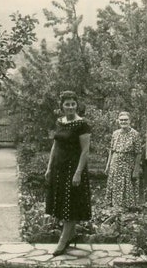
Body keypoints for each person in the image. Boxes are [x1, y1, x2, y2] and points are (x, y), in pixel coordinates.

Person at [45, 90, 91, 256]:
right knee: (61, 202)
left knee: (70, 204)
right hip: (59, 168)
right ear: (62, 106)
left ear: (77, 105)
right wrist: (49, 167)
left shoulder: (82, 124)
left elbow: (85, 151)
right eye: (67, 104)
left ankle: (63, 241)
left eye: (73, 104)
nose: (71, 107)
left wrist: (78, 173)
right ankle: (70, 235)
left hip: (73, 169)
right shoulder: (60, 122)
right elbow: (55, 146)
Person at [104, 111, 142, 209]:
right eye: (121, 120)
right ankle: (114, 207)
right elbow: (111, 150)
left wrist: (136, 169)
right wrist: (108, 165)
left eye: (125, 120)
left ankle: (127, 208)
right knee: (114, 184)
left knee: (126, 185)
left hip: (128, 164)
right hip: (115, 163)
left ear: (130, 121)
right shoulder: (115, 133)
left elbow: (138, 153)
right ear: (118, 121)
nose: (123, 122)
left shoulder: (135, 134)